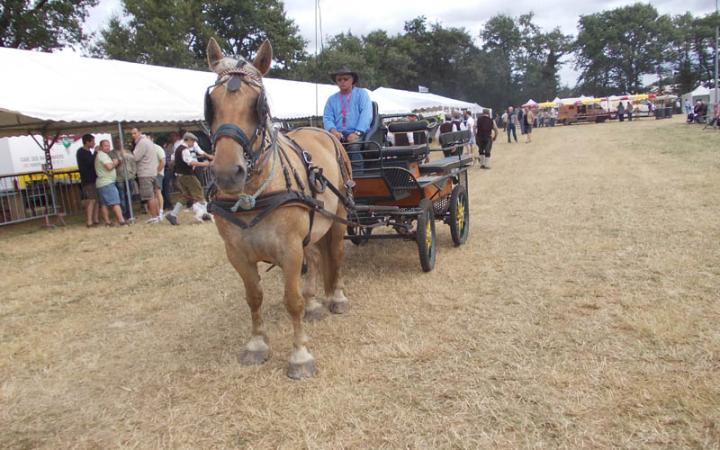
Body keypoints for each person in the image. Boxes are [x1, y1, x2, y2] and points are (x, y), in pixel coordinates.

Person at [323, 67, 373, 174]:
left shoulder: (362, 94)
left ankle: (358, 178)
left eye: (345, 79)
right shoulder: (332, 99)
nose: (342, 82)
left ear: (352, 80)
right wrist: (333, 131)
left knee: (353, 146)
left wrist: (357, 132)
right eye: (339, 80)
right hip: (338, 134)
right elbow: (327, 117)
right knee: (324, 148)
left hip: (358, 133)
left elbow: (366, 114)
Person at [165, 132, 214, 225]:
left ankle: (173, 215)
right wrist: (205, 164)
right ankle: (205, 213)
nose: (193, 144)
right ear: (188, 140)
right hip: (187, 175)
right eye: (193, 141)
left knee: (185, 196)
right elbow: (190, 162)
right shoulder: (184, 150)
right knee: (199, 192)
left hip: (181, 176)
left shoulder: (178, 149)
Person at [130, 127, 161, 223]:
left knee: (149, 197)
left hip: (145, 173)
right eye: (132, 134)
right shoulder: (148, 141)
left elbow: (135, 157)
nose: (133, 135)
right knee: (154, 195)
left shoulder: (141, 143)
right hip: (152, 171)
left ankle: (154, 216)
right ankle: (157, 215)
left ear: (140, 132)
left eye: (135, 133)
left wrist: (127, 154)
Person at [94, 139, 127, 226]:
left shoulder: (101, 155)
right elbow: (109, 167)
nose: (108, 147)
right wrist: (115, 163)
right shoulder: (103, 155)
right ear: (101, 147)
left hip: (102, 183)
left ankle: (107, 222)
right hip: (107, 183)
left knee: (104, 204)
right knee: (115, 202)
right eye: (105, 145)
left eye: (108, 145)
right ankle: (121, 221)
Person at [76, 134, 99, 227]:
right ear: (87, 142)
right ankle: (89, 221)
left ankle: (95, 219)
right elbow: (90, 162)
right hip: (87, 180)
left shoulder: (89, 152)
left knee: (96, 200)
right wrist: (95, 153)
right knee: (91, 200)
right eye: (92, 141)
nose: (94, 143)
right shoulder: (81, 152)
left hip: (94, 179)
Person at [109, 144, 137, 222]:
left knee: (129, 195)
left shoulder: (128, 152)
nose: (119, 144)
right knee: (121, 197)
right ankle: (124, 214)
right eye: (116, 142)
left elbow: (133, 162)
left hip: (129, 176)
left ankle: (130, 213)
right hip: (119, 178)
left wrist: (134, 173)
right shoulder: (112, 153)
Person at [147, 133, 166, 220]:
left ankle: (161, 211)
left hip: (157, 174)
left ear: (152, 139)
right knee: (153, 194)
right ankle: (157, 212)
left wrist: (157, 171)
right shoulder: (146, 149)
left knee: (157, 192)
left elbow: (163, 161)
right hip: (149, 174)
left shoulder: (157, 148)